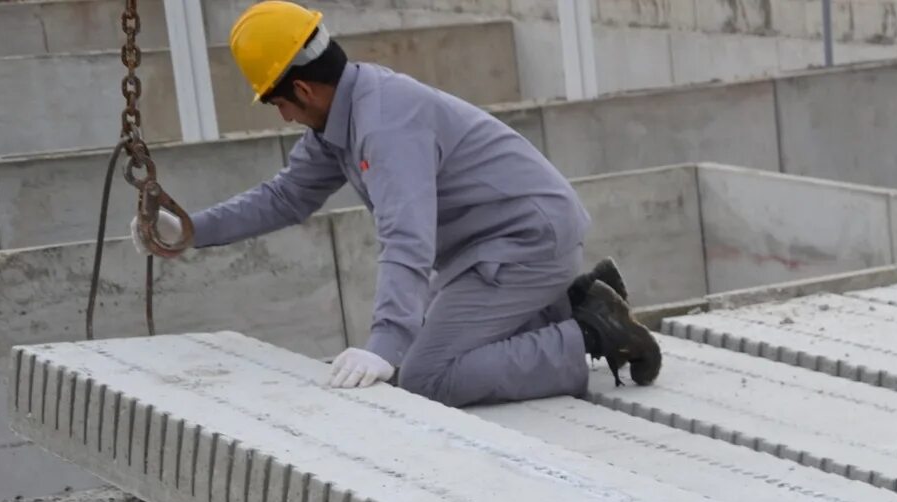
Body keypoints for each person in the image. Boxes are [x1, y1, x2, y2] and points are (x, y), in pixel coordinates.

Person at [130, 0, 659, 403]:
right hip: (501, 249)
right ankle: (575, 304)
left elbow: (406, 235)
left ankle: (593, 333)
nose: (282, 117)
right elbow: (285, 197)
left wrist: (384, 344)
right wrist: (193, 230)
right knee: (428, 354)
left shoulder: (385, 125)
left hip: (526, 245)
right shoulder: (343, 118)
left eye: (277, 102)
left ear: (305, 92)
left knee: (427, 375)